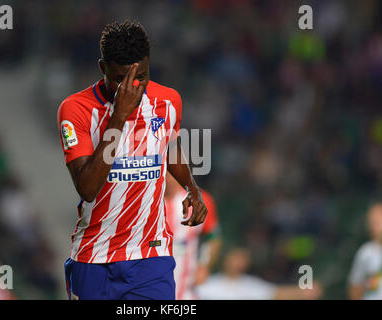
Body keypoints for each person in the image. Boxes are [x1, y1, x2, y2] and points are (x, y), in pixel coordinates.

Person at [57, 21, 207, 300]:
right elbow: (87, 188)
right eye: (121, 79)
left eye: (142, 77)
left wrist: (191, 187)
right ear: (103, 68)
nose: (133, 89)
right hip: (95, 257)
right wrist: (119, 117)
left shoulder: (169, 101)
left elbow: (171, 147)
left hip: (151, 256)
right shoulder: (75, 109)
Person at [165, 173, 221, 299]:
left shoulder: (200, 200)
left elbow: (213, 238)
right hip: (150, 283)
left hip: (186, 288)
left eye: (170, 173)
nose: (167, 178)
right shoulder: (147, 201)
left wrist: (204, 265)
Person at [195, 247, 323, 300]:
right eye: (235, 258)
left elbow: (275, 293)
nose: (237, 263)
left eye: (242, 259)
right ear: (226, 259)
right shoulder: (208, 283)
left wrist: (302, 292)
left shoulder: (250, 285)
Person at [348, 203, 382, 300]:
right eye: (373, 221)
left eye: (379, 220)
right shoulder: (366, 252)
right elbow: (355, 287)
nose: (376, 224)